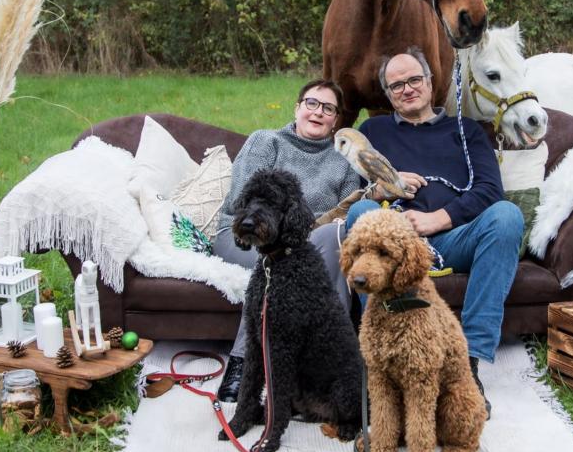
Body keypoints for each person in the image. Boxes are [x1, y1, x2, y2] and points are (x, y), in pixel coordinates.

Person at [346, 47, 523, 415]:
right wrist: (379, 190)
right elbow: (352, 193)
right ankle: (383, 355)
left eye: (414, 80)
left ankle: (467, 364)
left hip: (454, 237)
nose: (407, 89)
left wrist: (439, 218)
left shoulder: (467, 131)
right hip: (393, 245)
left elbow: (491, 191)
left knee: (506, 216)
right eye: (396, 85)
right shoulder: (373, 131)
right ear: (388, 94)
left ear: (430, 83)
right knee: (363, 214)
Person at [214, 79, 361, 401]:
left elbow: (342, 217)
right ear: (297, 108)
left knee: (328, 241)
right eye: (311, 103)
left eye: (328, 108)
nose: (318, 112)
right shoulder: (266, 142)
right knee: (278, 270)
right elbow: (243, 203)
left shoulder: (343, 163)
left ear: (337, 120)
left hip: (304, 245)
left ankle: (323, 365)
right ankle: (241, 364)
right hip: (243, 236)